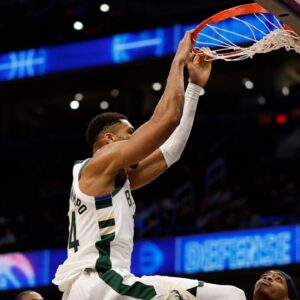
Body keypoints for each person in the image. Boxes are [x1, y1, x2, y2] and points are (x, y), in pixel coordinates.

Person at [53, 31, 246, 300]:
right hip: (100, 282)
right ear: (109, 140)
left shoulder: (116, 179)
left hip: (110, 281)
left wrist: (194, 89)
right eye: (130, 133)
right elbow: (165, 120)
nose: (137, 140)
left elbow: (171, 151)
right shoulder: (99, 163)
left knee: (230, 295)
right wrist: (177, 63)